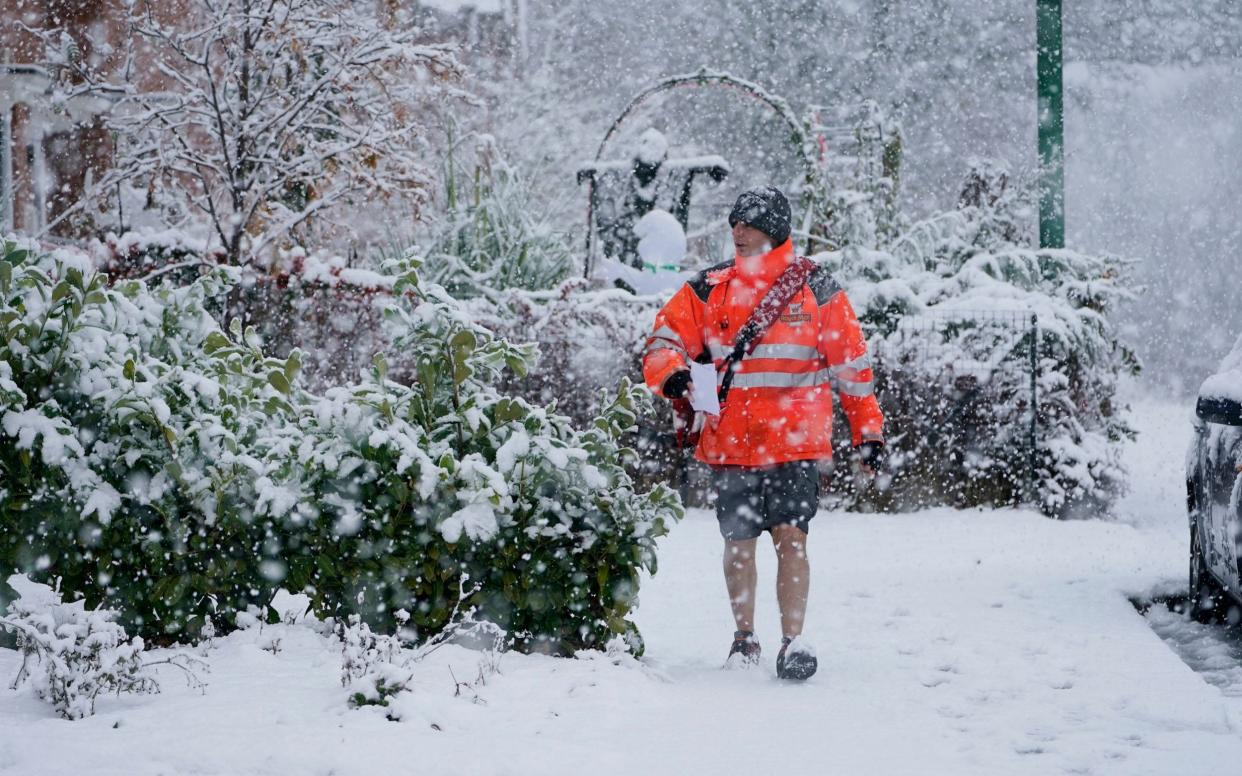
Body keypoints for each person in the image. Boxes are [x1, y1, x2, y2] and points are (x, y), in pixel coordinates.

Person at [642, 186, 885, 680]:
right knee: (739, 542)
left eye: (748, 222)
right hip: (732, 442)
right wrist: (671, 372)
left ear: (774, 229)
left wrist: (869, 430)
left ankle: (794, 642)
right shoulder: (709, 287)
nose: (738, 230)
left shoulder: (816, 289)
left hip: (794, 445)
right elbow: (663, 338)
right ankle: (743, 638)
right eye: (734, 222)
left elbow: (852, 365)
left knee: (792, 538)